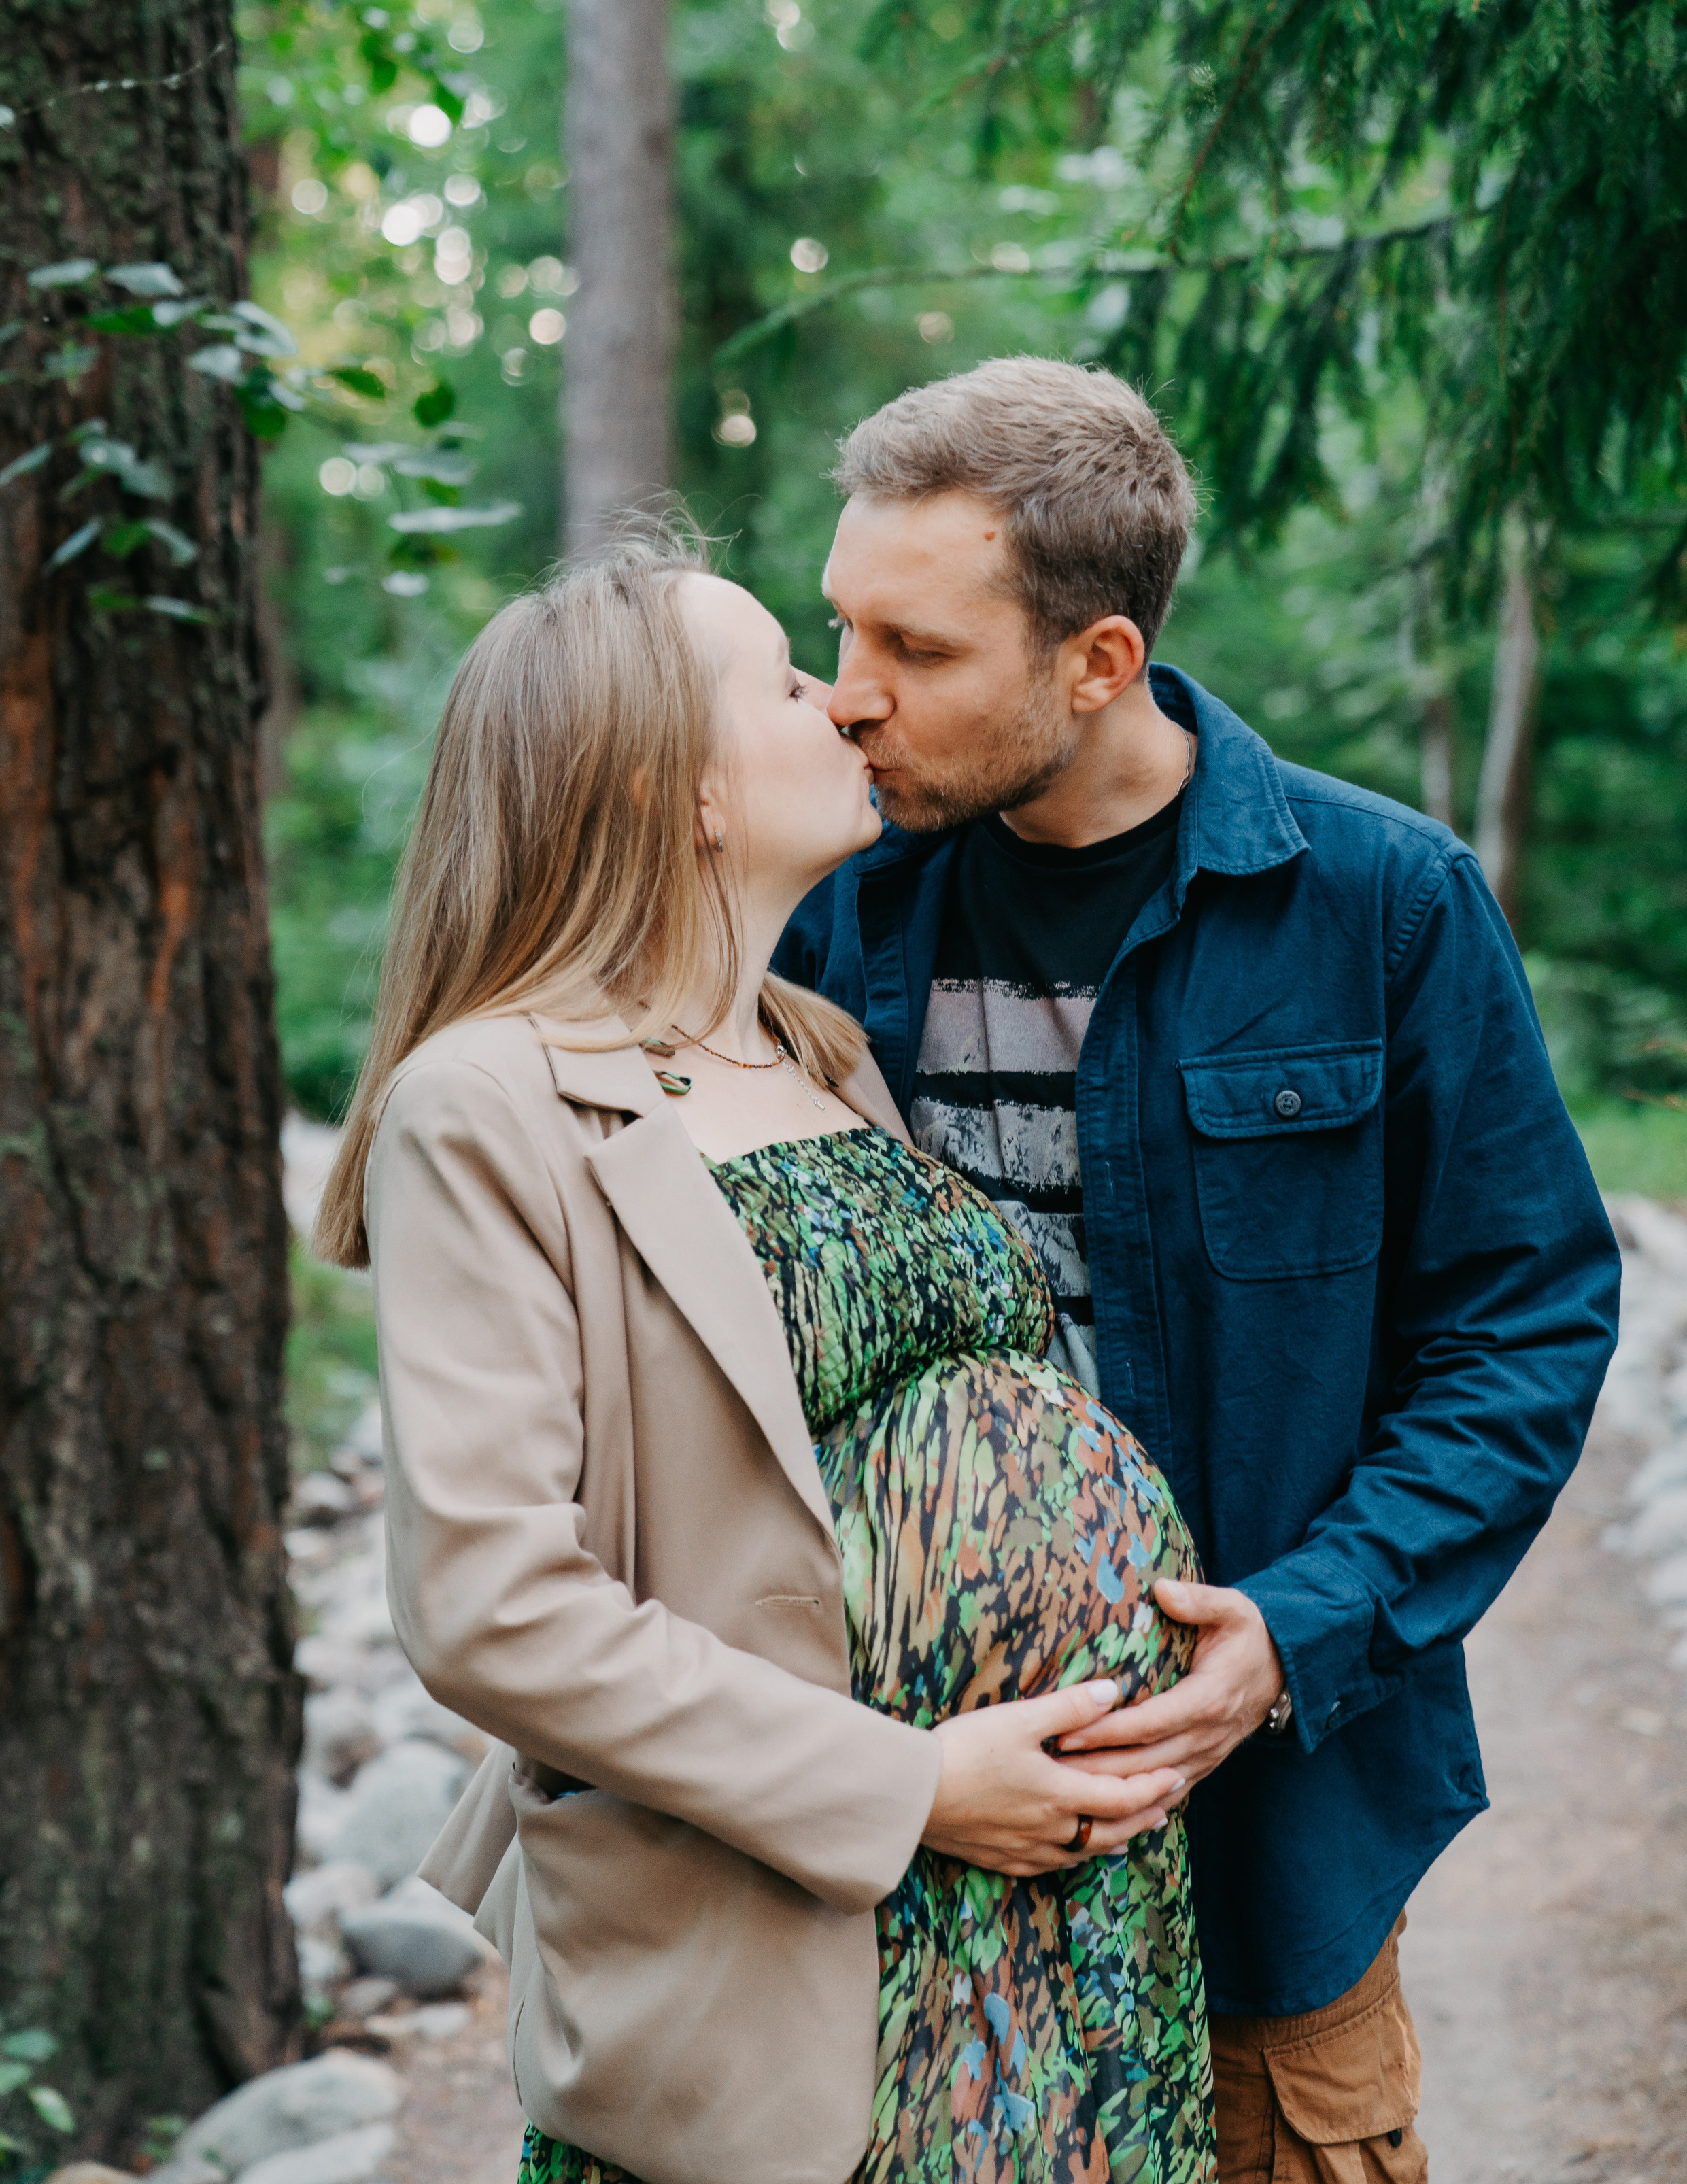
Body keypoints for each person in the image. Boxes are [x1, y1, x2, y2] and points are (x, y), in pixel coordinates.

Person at [777, 356, 1622, 2183]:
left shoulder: (1382, 904)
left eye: (915, 650)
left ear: (1097, 662)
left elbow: (1525, 1325)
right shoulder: (833, 919)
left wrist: (1299, 1630)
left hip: (1265, 1839)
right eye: (840, 628)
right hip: (922, 1833)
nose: (847, 699)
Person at [313, 543, 1219, 2184]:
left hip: (1052, 1923)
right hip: (817, 1909)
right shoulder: (490, 1102)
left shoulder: (822, 1048)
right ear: (686, 790)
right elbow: (491, 1603)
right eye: (790, 679)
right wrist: (914, 1782)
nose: (846, 698)